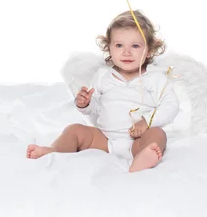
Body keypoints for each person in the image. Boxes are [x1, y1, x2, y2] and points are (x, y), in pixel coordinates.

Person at [26, 9, 179, 172]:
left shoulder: (155, 78)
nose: (126, 52)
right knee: (74, 130)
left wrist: (147, 122)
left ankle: (142, 159)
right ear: (109, 48)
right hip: (104, 139)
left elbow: (171, 106)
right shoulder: (103, 76)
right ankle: (53, 150)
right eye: (119, 45)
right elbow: (96, 108)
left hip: (138, 141)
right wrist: (85, 104)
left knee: (158, 135)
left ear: (148, 50)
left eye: (135, 46)